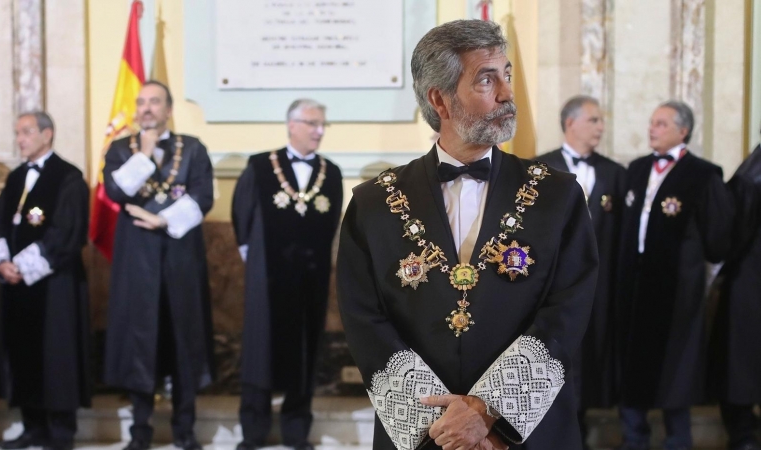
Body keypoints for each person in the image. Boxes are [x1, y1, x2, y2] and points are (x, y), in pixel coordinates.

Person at [337, 19, 598, 450]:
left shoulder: (558, 195)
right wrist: (443, 425)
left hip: (525, 433)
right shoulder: (373, 203)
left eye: (507, 75)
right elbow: (364, 320)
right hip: (425, 435)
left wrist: (486, 413)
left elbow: (567, 311)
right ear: (440, 99)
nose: (507, 93)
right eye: (486, 79)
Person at [102, 80, 215, 450]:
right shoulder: (121, 149)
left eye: (155, 102)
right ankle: (140, 431)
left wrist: (163, 219)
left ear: (169, 110)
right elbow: (116, 192)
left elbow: (204, 195)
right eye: (142, 102)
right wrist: (143, 155)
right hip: (137, 261)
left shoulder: (193, 148)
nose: (146, 108)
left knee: (183, 339)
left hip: (181, 259)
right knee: (140, 341)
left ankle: (185, 430)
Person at [616, 101, 733, 450]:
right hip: (634, 284)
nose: (652, 129)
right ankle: (633, 438)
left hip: (678, 288)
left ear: (683, 131)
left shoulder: (703, 175)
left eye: (662, 124)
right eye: (652, 122)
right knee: (631, 358)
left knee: (676, 363)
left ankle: (677, 440)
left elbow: (718, 238)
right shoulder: (636, 170)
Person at [231, 99, 343, 450]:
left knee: (305, 351)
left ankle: (297, 431)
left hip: (310, 278)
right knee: (259, 350)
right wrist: (259, 263)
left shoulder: (332, 172)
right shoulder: (260, 166)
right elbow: (242, 216)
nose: (319, 130)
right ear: (291, 125)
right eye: (312, 123)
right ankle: (253, 432)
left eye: (322, 124)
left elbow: (332, 224)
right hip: (267, 278)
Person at [0, 111, 91, 450]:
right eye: (17, 133)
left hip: (55, 285)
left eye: (27, 132)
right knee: (22, 351)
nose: (20, 139)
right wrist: (1, 261)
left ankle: (60, 432)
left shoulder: (69, 177)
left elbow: (68, 232)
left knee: (56, 355)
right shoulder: (16, 178)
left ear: (47, 135)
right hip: (17, 287)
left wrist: (23, 266)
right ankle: (33, 427)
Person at [535, 95, 626, 448]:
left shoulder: (614, 174)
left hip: (599, 290)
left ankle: (583, 422)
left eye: (601, 121)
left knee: (591, 355)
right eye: (594, 120)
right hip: (552, 287)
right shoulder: (537, 169)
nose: (601, 127)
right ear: (570, 123)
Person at [708, 125, 761, 450]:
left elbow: (735, 221)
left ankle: (743, 433)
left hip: (750, 277)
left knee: (742, 359)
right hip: (751, 277)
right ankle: (742, 433)